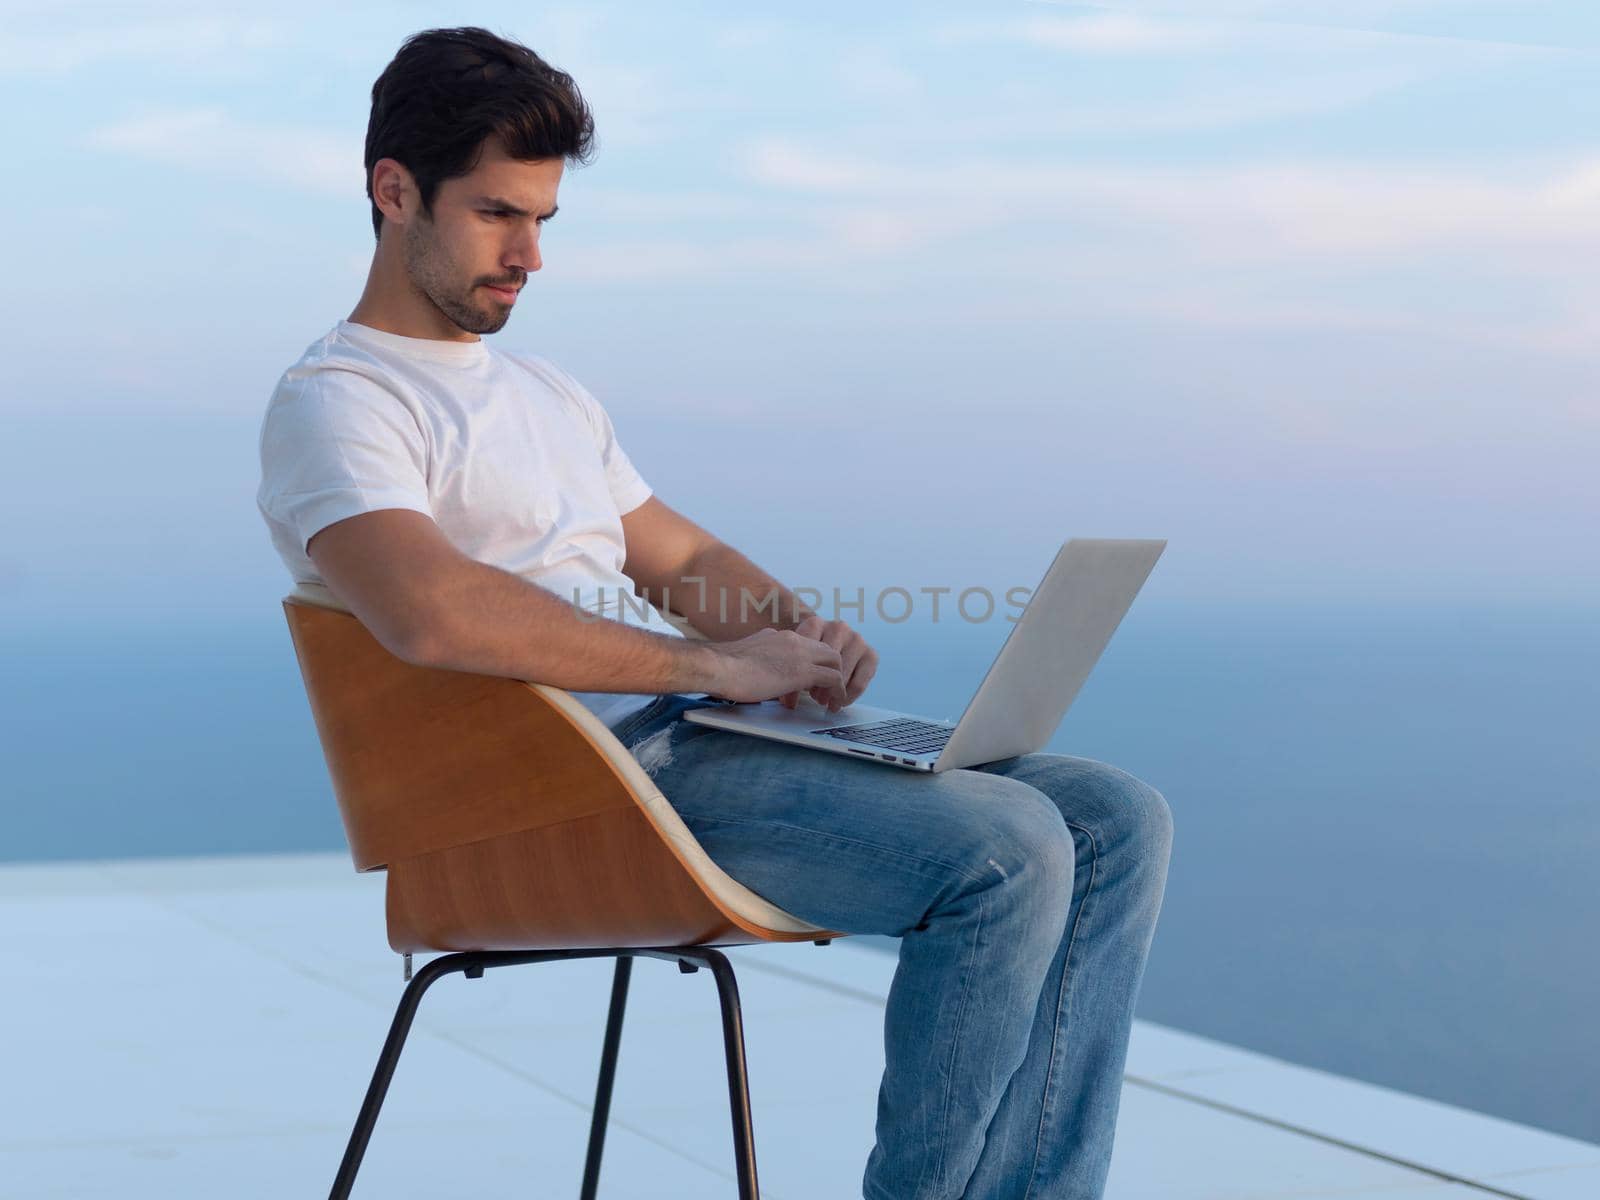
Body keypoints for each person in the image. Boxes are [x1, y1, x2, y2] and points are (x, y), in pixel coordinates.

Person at [256, 27, 1173, 1200]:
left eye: (542, 219)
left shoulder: (545, 393)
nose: (530, 254)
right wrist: (718, 667)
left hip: (683, 747)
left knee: (1113, 817)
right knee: (1008, 849)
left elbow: (677, 551)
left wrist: (789, 639)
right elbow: (428, 611)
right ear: (394, 192)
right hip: (557, 804)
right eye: (497, 214)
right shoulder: (339, 401)